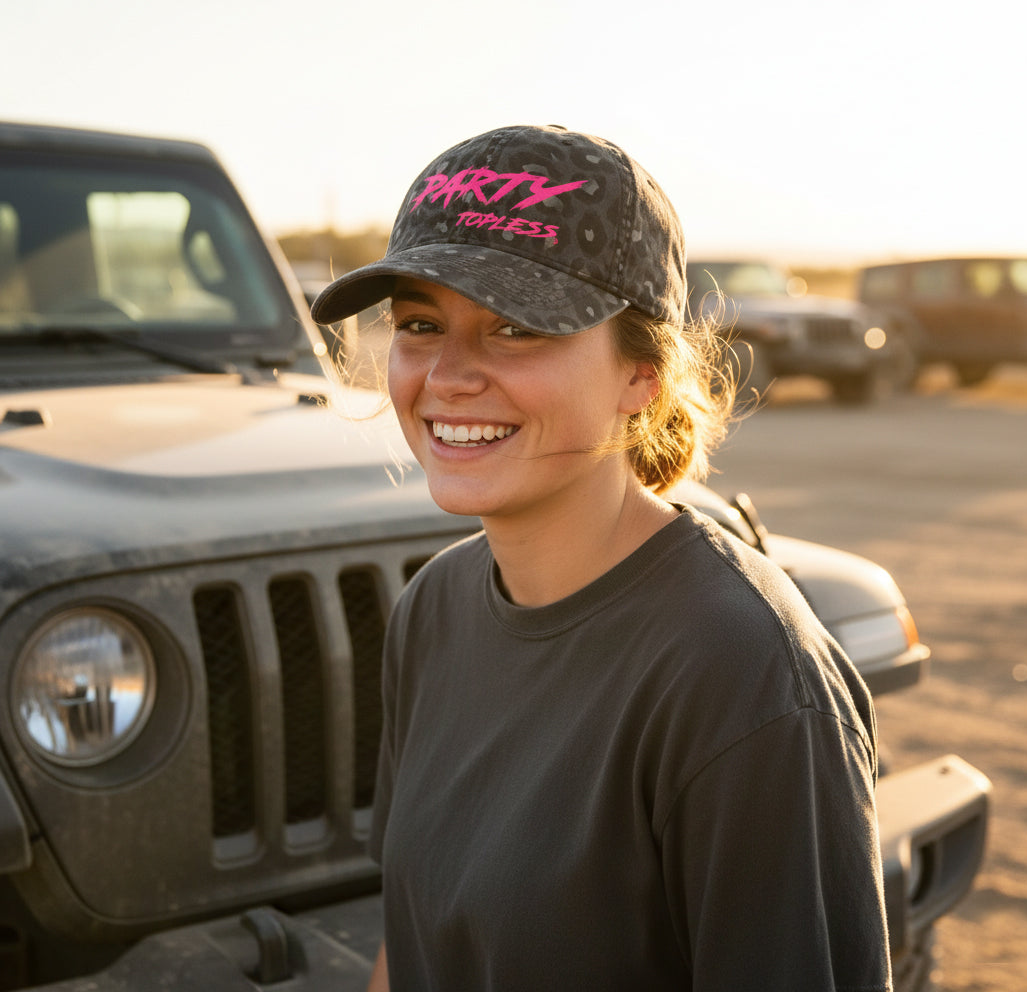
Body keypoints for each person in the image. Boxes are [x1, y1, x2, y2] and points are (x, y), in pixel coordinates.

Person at [311, 125, 892, 992]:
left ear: (641, 374)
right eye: (422, 324)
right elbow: (415, 938)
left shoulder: (745, 676)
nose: (449, 376)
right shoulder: (433, 608)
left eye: (514, 327)